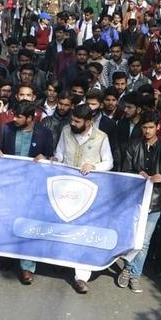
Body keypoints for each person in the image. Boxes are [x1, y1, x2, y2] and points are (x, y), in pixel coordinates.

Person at [52, 104, 113, 293]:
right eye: (72, 120)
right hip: (65, 189)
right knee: (63, 225)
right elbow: (60, 153)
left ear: (88, 122)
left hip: (88, 191)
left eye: (77, 121)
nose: (73, 123)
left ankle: (81, 277)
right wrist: (56, 160)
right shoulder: (66, 131)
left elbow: (109, 162)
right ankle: (61, 261)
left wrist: (94, 167)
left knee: (84, 231)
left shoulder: (101, 137)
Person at [0, 100, 54, 284]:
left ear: (30, 118)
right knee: (8, 222)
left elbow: (52, 157)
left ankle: (27, 266)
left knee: (29, 225)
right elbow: (0, 149)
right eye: (14, 115)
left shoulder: (44, 134)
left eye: (19, 117)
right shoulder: (6, 129)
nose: (14, 119)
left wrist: (46, 158)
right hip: (10, 185)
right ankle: (7, 256)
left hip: (33, 187)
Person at [117, 111, 161, 293]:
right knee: (133, 237)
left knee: (145, 241)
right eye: (144, 127)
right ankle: (129, 270)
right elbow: (125, 171)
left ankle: (133, 273)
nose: (147, 131)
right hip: (135, 200)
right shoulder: (133, 146)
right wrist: (137, 174)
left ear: (157, 127)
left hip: (154, 201)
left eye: (151, 127)